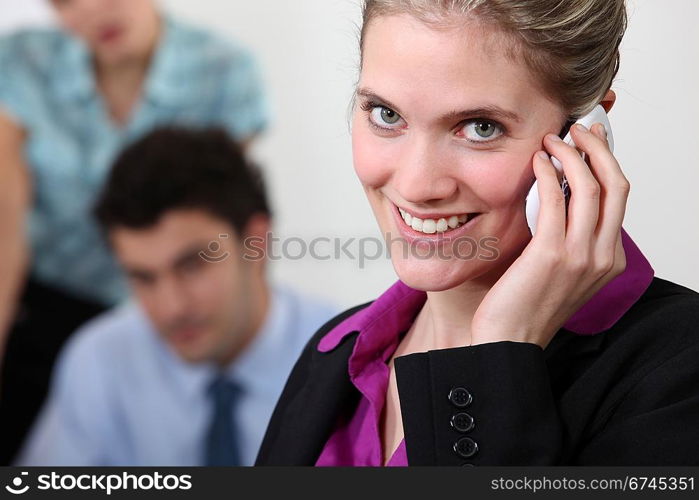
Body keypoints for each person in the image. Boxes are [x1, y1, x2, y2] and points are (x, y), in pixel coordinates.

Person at [255, 0, 699, 466]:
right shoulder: (337, 349)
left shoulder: (676, 370)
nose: (416, 185)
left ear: (587, 137)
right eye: (386, 115)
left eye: (480, 127)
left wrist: (500, 355)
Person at [0, 0, 269, 463]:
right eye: (66, 1)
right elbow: (6, 225)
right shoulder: (23, 63)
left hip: (166, 293)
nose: (93, 11)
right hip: (39, 297)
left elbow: (226, 216)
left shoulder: (223, 69)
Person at [14, 127, 337, 466]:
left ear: (256, 243)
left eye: (192, 266)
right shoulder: (99, 363)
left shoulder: (351, 362)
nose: (172, 308)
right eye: (143, 277)